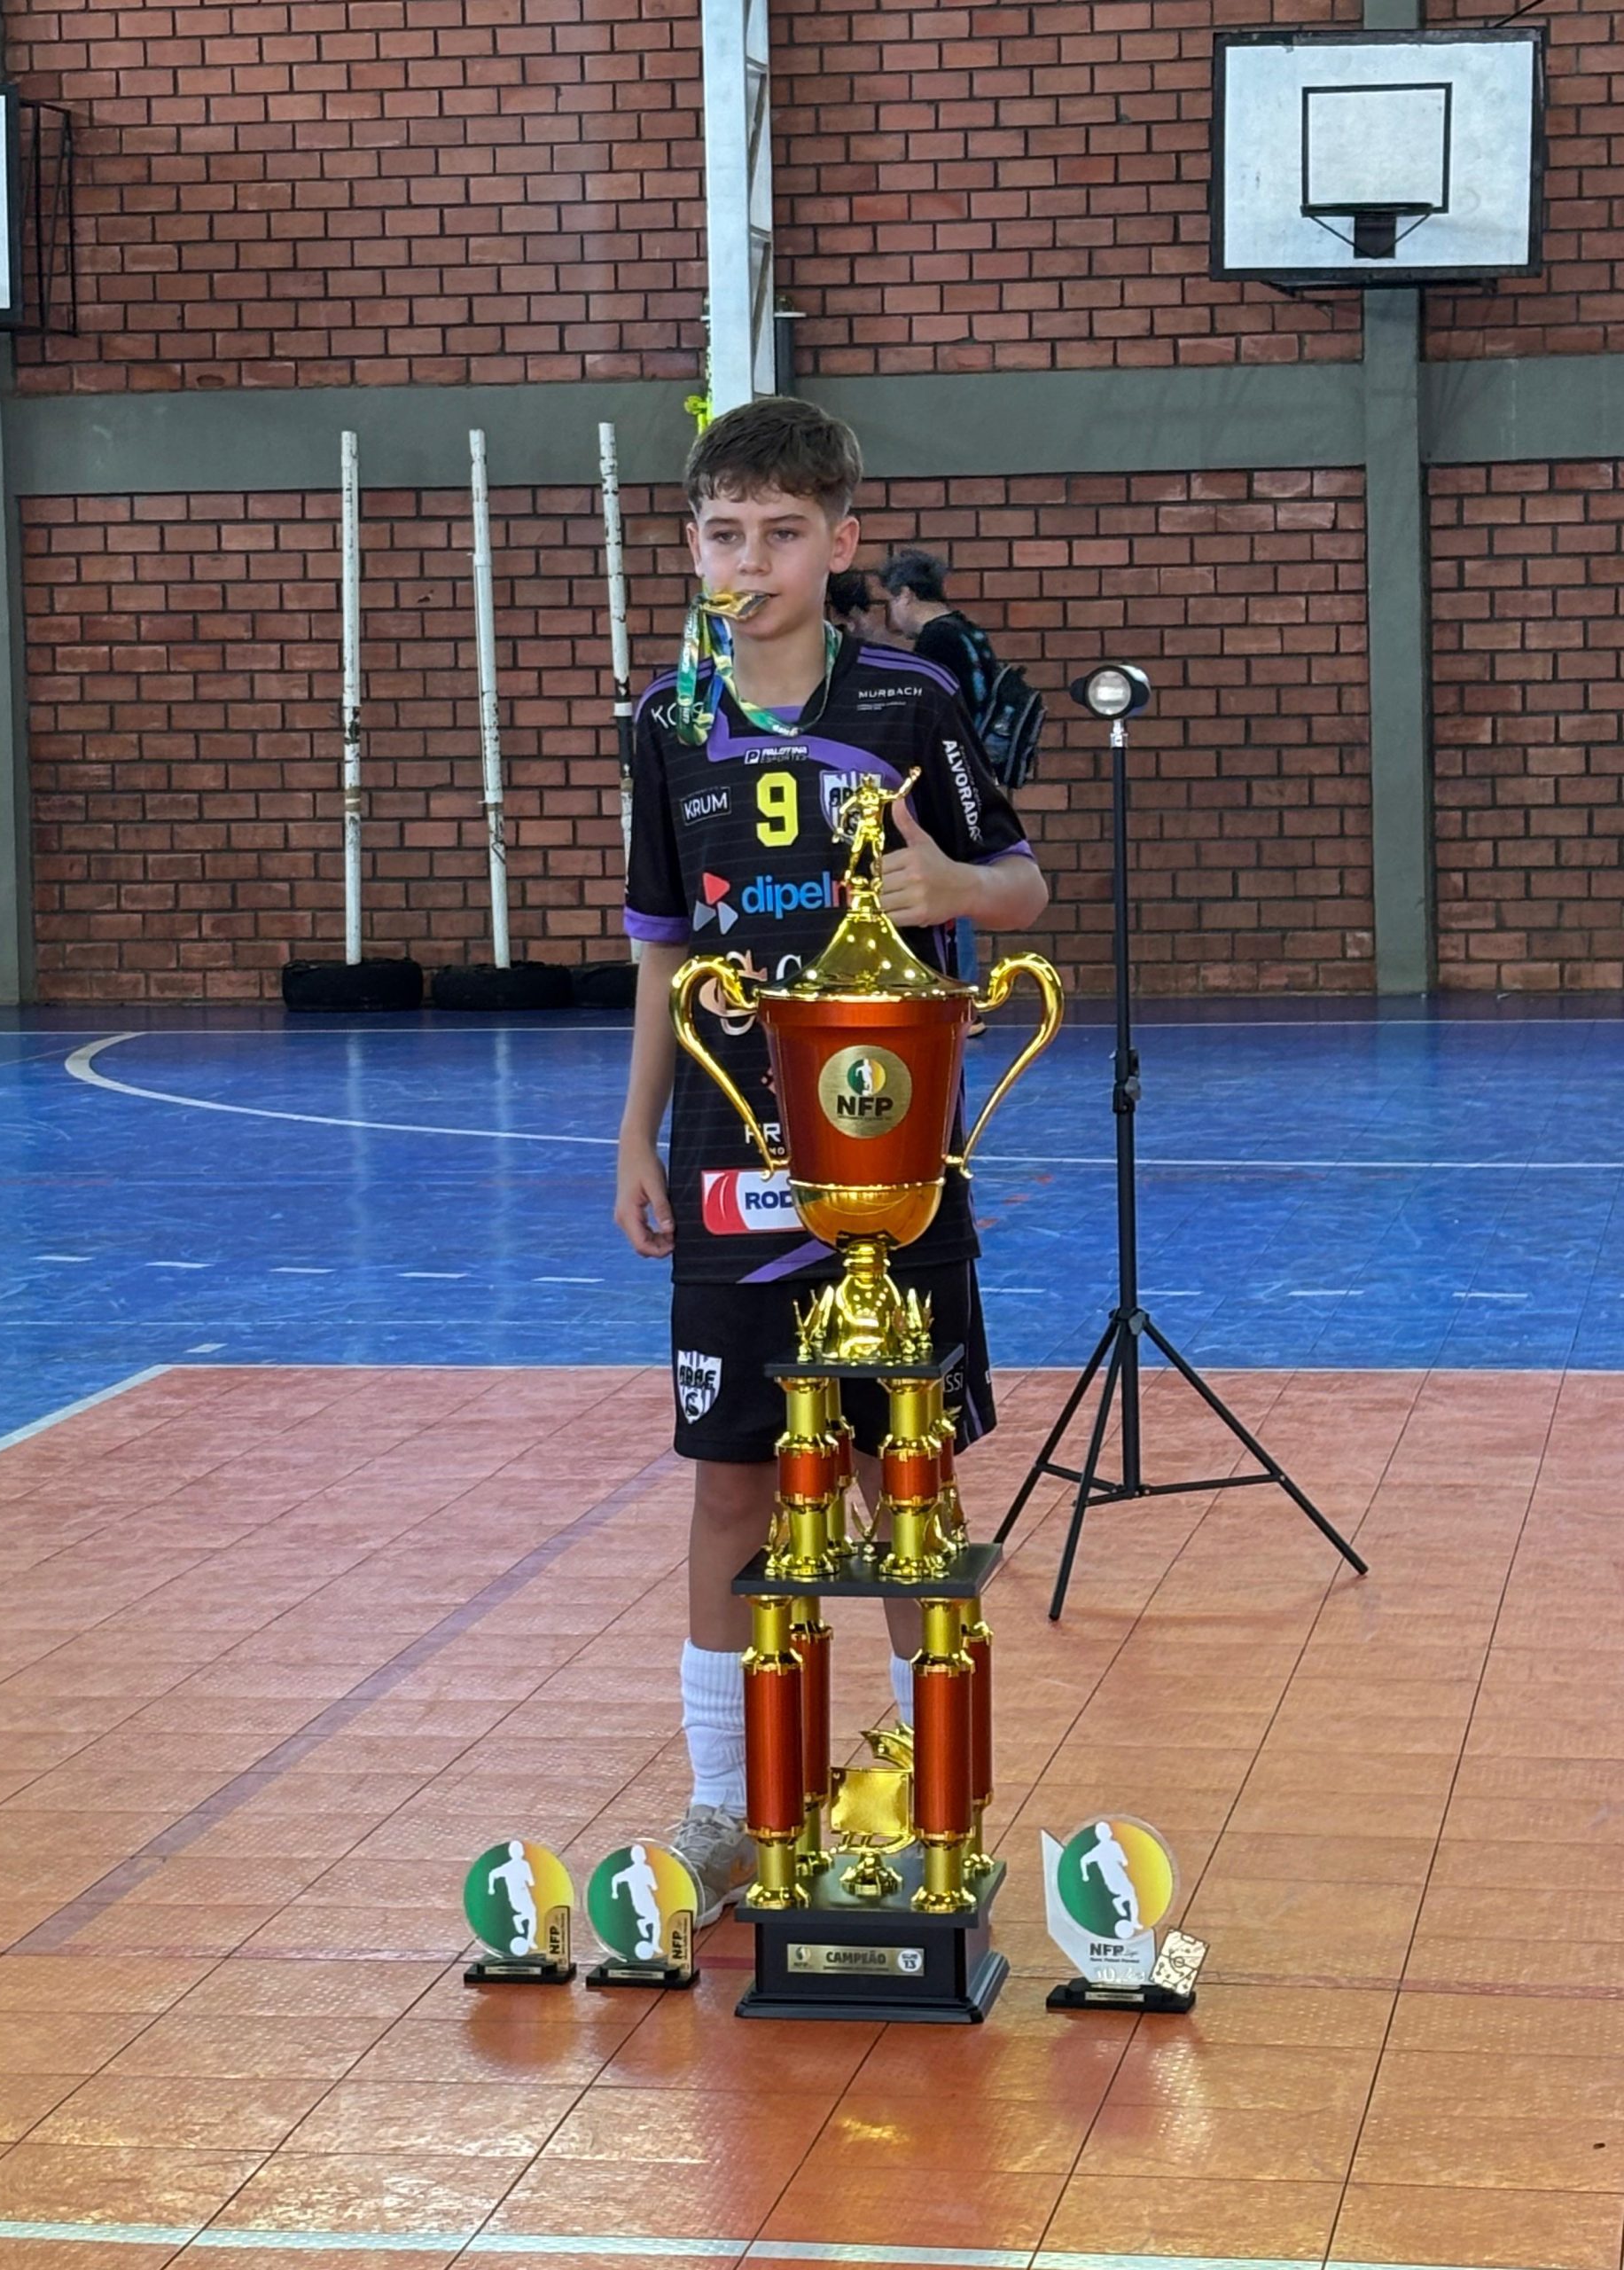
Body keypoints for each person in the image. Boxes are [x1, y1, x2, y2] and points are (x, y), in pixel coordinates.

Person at [613, 395, 1049, 1924]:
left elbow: (1027, 885)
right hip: (732, 1154)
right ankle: (727, 1812)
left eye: (783, 532)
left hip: (895, 1154)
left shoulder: (914, 702)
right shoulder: (665, 725)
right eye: (725, 532)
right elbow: (665, 951)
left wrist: (954, 882)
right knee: (731, 1486)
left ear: (840, 541)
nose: (753, 558)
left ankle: (916, 1809)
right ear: (691, 545)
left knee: (890, 1479)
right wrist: (634, 1138)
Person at [879, 551, 1001, 988]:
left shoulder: (935, 641)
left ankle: (957, 986)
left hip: (946, 774)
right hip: (976, 768)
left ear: (906, 595)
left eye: (891, 603)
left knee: (945, 883)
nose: (893, 616)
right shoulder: (969, 632)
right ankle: (961, 984)